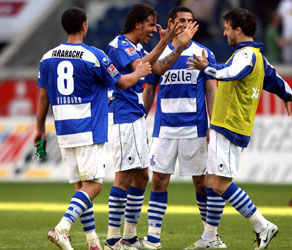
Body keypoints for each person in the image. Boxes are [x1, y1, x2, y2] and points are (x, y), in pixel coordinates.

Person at [33, 7, 151, 250]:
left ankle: (93, 242)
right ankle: (62, 228)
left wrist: (39, 129)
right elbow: (123, 81)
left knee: (81, 187)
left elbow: (43, 97)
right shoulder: (93, 55)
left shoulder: (47, 57)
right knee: (94, 186)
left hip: (64, 129)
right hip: (89, 128)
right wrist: (139, 72)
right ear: (85, 25)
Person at [186, 8, 292, 250]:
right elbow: (275, 78)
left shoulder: (245, 55)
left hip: (230, 126)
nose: (224, 33)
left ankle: (262, 225)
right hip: (226, 125)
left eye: (227, 28)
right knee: (212, 181)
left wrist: (206, 68)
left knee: (221, 184)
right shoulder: (256, 56)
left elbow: (230, 73)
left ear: (239, 30)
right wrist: (286, 93)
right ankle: (209, 238)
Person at [104, 3, 198, 250]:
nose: (152, 31)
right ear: (137, 23)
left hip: (134, 117)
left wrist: (177, 47)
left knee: (141, 177)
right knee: (124, 178)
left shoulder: (136, 47)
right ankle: (113, 241)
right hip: (124, 116)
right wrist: (167, 41)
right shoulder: (120, 44)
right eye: (149, 25)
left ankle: (129, 237)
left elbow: (156, 68)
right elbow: (141, 67)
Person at [142, 6, 225, 249]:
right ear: (171, 23)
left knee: (201, 183)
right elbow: (149, 90)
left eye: (190, 21)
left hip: (195, 128)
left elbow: (212, 90)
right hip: (164, 128)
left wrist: (214, 123)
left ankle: (210, 236)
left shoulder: (203, 52)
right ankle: (154, 239)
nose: (187, 24)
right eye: (182, 20)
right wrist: (140, 120)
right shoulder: (159, 53)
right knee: (158, 181)